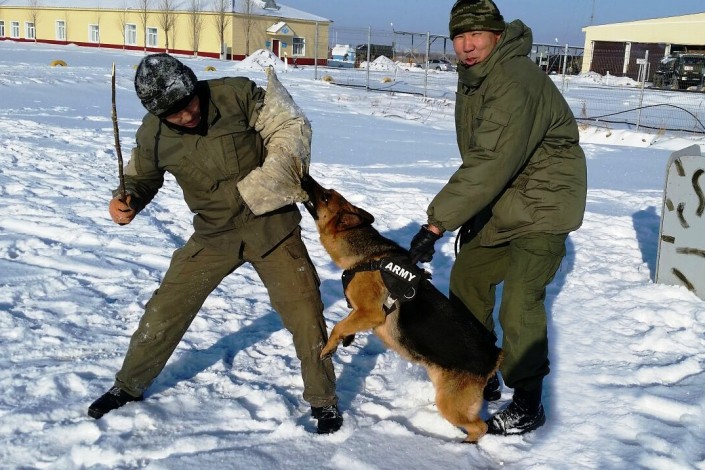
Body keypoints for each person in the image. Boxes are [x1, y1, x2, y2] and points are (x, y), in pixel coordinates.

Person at [88, 53, 343, 434]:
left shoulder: (236, 94)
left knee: (306, 315)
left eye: (189, 102)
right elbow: (141, 178)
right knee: (164, 311)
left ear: (194, 84)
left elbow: (286, 125)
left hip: (272, 229)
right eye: (174, 113)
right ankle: (128, 385)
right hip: (214, 234)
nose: (188, 115)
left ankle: (323, 400)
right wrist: (127, 201)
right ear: (157, 114)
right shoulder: (152, 134)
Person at [408, 0, 587, 436]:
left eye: (476, 35)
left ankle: (528, 400)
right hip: (504, 202)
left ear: (498, 36)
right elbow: (487, 160)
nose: (467, 46)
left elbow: (490, 161)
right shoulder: (478, 78)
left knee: (520, 302)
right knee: (468, 278)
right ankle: (479, 369)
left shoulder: (514, 80)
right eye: (459, 37)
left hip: (543, 206)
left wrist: (437, 223)